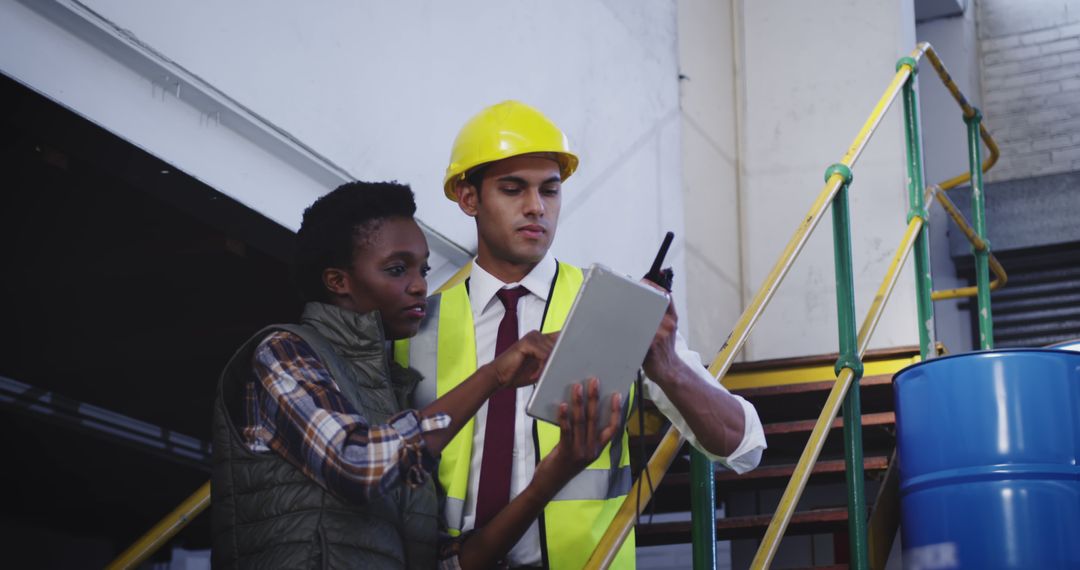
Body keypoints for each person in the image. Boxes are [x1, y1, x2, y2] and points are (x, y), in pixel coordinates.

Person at [397, 101, 767, 568]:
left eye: (550, 191)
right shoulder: (415, 324)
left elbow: (744, 448)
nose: (536, 207)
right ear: (468, 199)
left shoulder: (610, 307)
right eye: (513, 189)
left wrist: (667, 366)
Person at [210, 181, 621, 569]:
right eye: (396, 270)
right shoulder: (281, 352)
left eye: (423, 270)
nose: (419, 286)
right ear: (338, 281)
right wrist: (492, 375)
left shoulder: (395, 396)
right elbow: (357, 464)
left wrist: (549, 478)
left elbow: (448, 562)